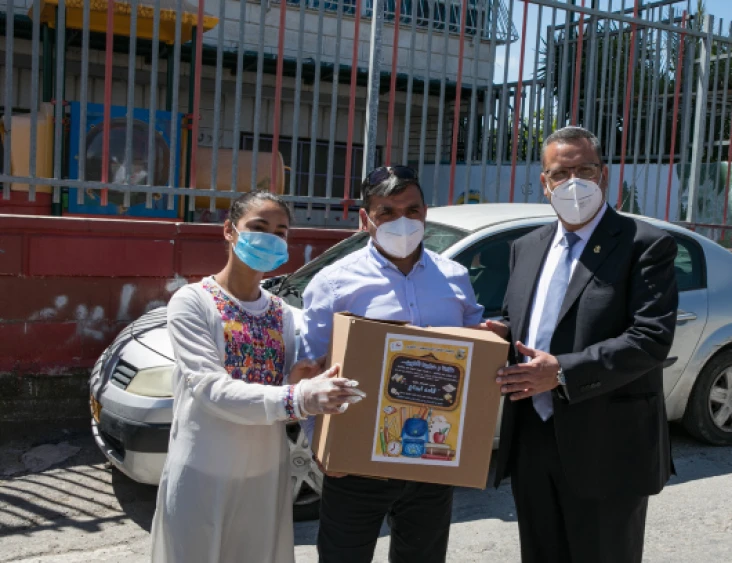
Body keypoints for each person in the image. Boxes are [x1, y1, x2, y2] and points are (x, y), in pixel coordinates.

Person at [487, 126, 679, 563]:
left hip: (606, 446)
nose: (573, 181)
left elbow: (650, 339)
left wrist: (561, 372)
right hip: (532, 440)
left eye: (585, 169)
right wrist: (498, 334)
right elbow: (521, 321)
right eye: (561, 172)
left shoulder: (644, 245)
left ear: (604, 176)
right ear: (544, 182)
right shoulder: (526, 248)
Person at [150, 191, 363, 563]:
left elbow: (286, 390)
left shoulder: (282, 313)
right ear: (230, 231)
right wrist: (298, 396)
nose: (271, 238)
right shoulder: (192, 302)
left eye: (281, 232)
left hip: (266, 473)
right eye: (259, 227)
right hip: (203, 472)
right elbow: (210, 389)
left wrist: (306, 380)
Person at [299, 165, 485, 563]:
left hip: (434, 462)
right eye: (387, 212)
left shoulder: (454, 277)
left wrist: (493, 336)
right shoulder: (334, 283)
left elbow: (475, 358)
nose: (402, 221)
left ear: (425, 213)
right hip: (356, 463)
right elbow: (308, 369)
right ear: (366, 219)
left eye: (412, 210)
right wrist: (321, 446)